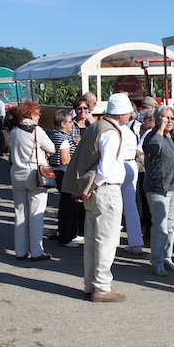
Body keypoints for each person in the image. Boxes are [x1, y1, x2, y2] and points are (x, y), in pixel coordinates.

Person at [62, 93, 134, 303]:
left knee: (92, 240)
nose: (130, 115)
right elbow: (105, 167)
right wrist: (91, 186)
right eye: (128, 111)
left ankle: (90, 284)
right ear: (122, 113)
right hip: (105, 189)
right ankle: (102, 286)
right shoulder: (111, 132)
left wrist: (86, 188)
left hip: (94, 191)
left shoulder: (95, 127)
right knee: (107, 240)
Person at [9, 101, 55, 261]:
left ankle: (20, 251)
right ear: (31, 114)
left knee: (20, 213)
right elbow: (52, 148)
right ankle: (36, 251)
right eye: (37, 113)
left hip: (16, 173)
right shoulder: (37, 131)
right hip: (34, 174)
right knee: (36, 214)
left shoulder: (14, 131)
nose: (39, 116)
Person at [143, 105, 174, 276]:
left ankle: (167, 257)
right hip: (158, 188)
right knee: (160, 226)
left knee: (171, 225)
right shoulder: (153, 136)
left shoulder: (173, 138)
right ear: (158, 119)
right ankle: (157, 260)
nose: (169, 121)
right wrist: (159, 128)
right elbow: (154, 149)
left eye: (172, 118)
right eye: (165, 118)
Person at [48, 109, 85, 248]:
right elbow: (65, 160)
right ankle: (66, 237)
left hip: (58, 173)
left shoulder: (53, 135)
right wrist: (77, 160)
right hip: (65, 174)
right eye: (69, 122)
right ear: (63, 124)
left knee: (67, 206)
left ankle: (67, 234)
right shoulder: (64, 139)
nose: (72, 125)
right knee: (68, 207)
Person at [121, 118, 144, 254]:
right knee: (131, 206)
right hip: (131, 165)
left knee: (115, 205)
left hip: (120, 165)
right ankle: (135, 242)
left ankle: (110, 241)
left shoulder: (113, 131)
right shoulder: (129, 132)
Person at [136, 108, 155, 245]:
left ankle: (148, 235)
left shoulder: (149, 132)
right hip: (147, 171)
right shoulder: (150, 132)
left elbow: (139, 150)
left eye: (145, 120)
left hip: (144, 171)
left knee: (147, 205)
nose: (143, 123)